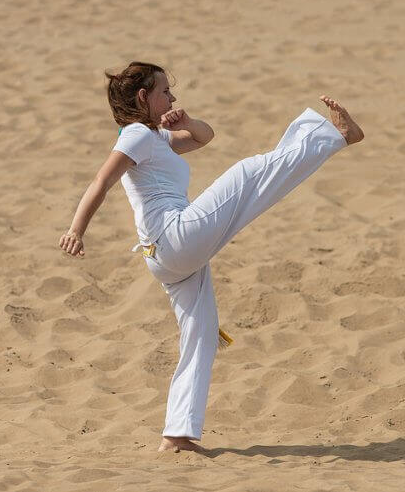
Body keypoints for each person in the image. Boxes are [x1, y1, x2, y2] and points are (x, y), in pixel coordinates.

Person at [58, 61, 363, 453]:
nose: (171, 97)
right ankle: (334, 136)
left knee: (201, 333)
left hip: (166, 257)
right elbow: (102, 180)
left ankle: (178, 436)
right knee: (247, 174)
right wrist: (76, 229)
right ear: (142, 98)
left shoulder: (153, 137)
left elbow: (204, 136)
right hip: (175, 236)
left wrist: (184, 119)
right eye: (165, 92)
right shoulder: (135, 135)